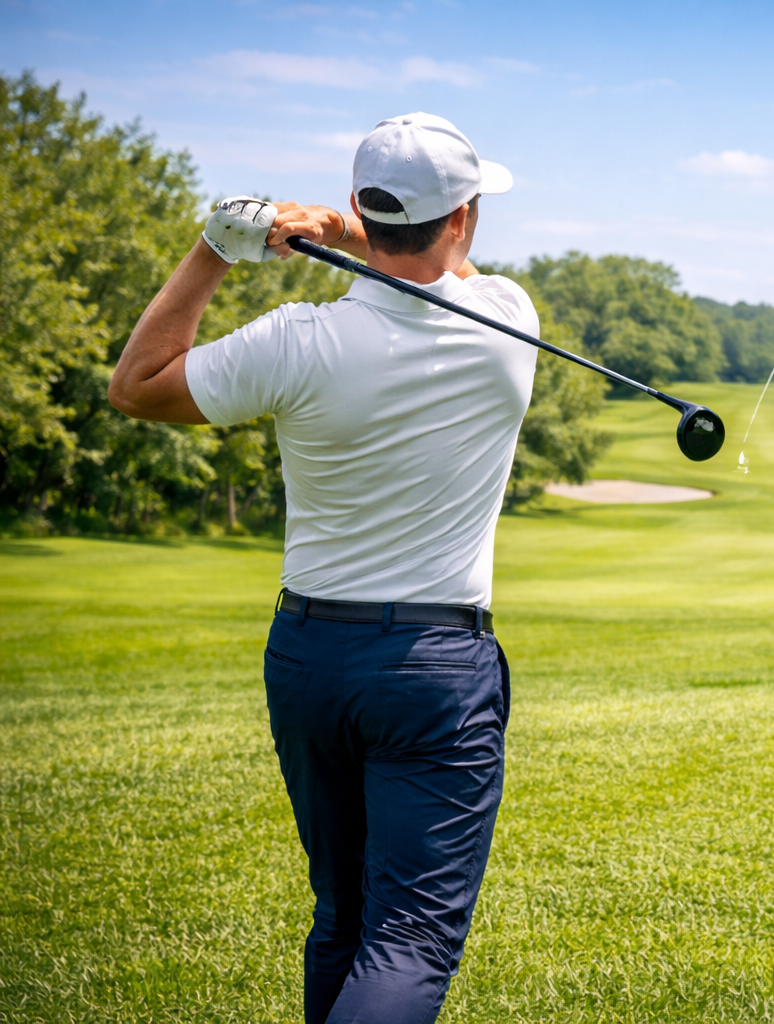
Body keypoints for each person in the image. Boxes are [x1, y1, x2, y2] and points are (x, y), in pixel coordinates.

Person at [109, 113, 535, 1024]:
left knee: (342, 914)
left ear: (358, 206)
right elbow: (437, 269)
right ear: (461, 219)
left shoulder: (293, 340)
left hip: (308, 656)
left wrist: (215, 250)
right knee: (410, 935)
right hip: (432, 669)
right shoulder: (509, 324)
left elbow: (137, 383)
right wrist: (356, 235)